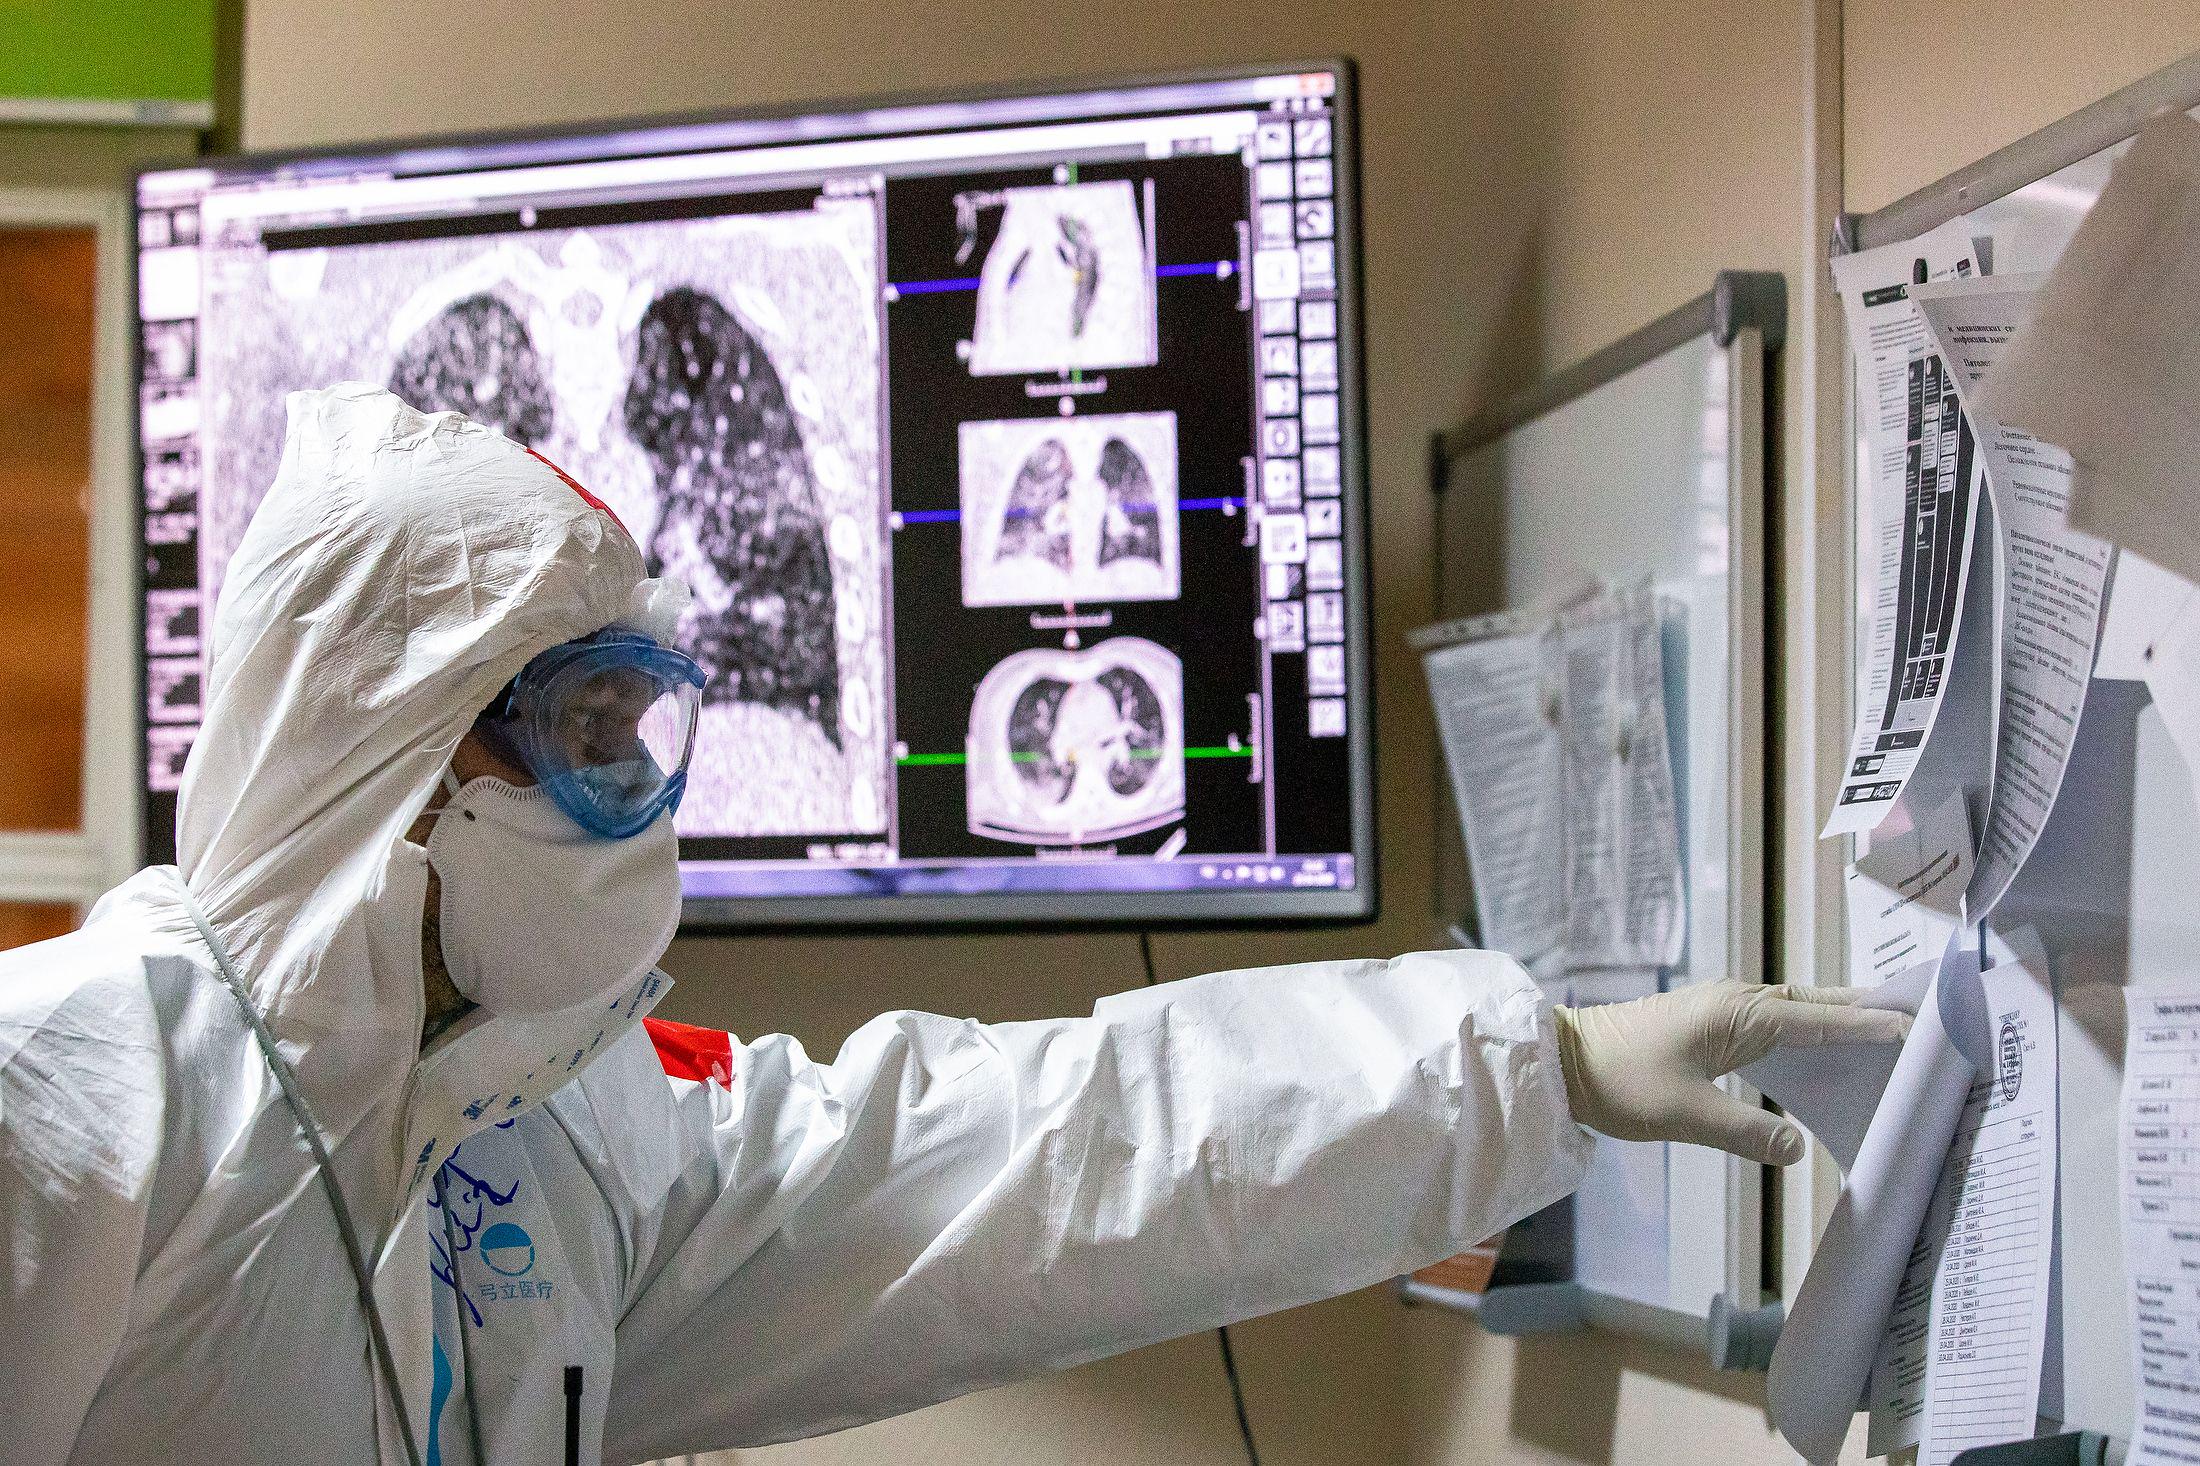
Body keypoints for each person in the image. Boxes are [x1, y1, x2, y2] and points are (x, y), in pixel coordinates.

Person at [0, 385, 1905, 1466]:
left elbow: (1025, 1160)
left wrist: (1531, 1067)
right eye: (587, 735)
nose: (639, 799)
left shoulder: (551, 1141)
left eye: (642, 730)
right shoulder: (74, 1102)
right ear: (399, 761)